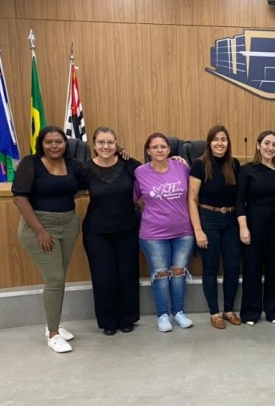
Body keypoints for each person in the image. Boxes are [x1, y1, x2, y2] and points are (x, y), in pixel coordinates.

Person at [12, 126, 83, 353]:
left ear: (66, 144)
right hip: (39, 227)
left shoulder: (72, 164)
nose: (54, 146)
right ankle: (53, 334)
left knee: (59, 278)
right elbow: (20, 198)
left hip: (68, 225)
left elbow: (81, 188)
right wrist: (41, 231)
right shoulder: (30, 163)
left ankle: (55, 324)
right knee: (55, 280)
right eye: (49, 142)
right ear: (41, 144)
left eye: (58, 142)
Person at [81, 126, 141, 336]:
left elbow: (153, 171)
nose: (105, 146)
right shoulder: (85, 169)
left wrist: (176, 161)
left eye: (110, 142)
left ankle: (127, 318)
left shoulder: (129, 165)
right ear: (94, 145)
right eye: (101, 142)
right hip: (97, 232)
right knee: (103, 276)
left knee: (128, 273)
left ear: (116, 144)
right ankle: (108, 322)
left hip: (127, 229)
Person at [134, 132, 194, 333]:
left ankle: (178, 312)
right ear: (148, 150)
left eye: (163, 147)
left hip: (183, 232)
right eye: (154, 147)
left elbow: (192, 194)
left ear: (169, 149)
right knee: (160, 274)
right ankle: (162, 315)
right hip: (153, 234)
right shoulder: (140, 172)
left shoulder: (182, 167)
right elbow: (135, 198)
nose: (159, 150)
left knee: (178, 272)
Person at [188, 125, 242, 330]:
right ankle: (214, 312)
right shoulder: (199, 165)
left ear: (228, 143)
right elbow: (192, 199)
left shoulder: (234, 164)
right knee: (210, 267)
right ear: (209, 142)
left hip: (231, 220)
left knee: (232, 267)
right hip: (208, 219)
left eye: (224, 139)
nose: (220, 143)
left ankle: (228, 310)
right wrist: (198, 230)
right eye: (216, 139)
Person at [237, 130, 275, 325]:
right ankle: (250, 312)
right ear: (258, 145)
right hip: (254, 225)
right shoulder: (247, 170)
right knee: (252, 269)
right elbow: (239, 200)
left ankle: (273, 311)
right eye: (267, 143)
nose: (270, 148)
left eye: (274, 144)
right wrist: (243, 227)